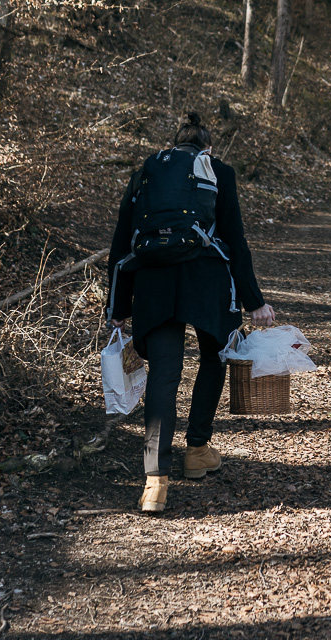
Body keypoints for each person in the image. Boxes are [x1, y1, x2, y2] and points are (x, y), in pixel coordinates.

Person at [109, 112, 274, 512]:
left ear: (175, 144)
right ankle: (197, 450)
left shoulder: (146, 172)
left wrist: (118, 305)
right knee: (214, 359)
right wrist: (255, 300)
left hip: (153, 283)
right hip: (207, 283)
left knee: (164, 375)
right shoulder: (218, 171)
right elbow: (235, 237)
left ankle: (154, 483)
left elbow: (122, 240)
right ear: (208, 148)